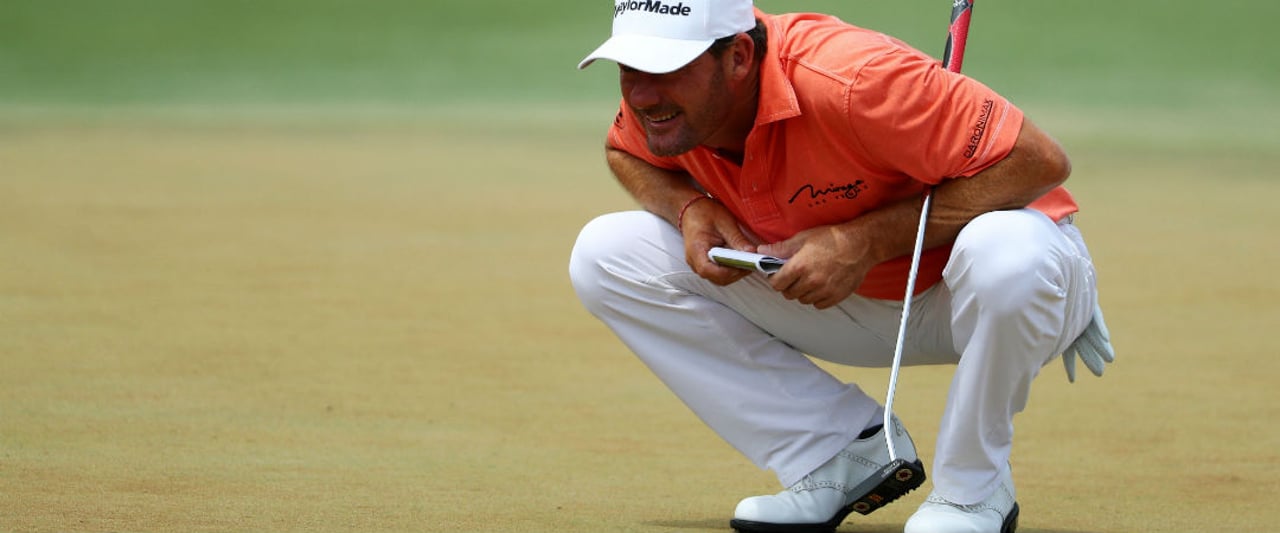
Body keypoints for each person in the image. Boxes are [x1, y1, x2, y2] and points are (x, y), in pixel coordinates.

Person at [568, 1, 1116, 532]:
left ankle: (973, 492)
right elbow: (625, 152)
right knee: (605, 254)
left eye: (664, 68)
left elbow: (1039, 161)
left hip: (974, 294)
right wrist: (690, 208)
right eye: (628, 68)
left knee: (1010, 254)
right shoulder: (664, 108)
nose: (640, 93)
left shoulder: (857, 79)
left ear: (737, 57)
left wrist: (862, 241)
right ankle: (836, 454)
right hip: (837, 299)